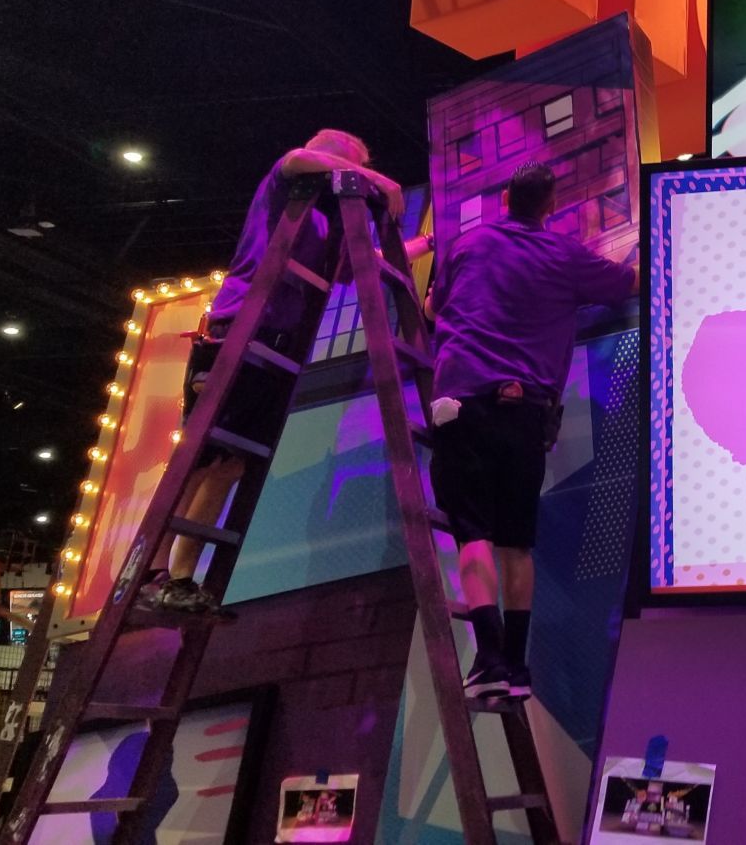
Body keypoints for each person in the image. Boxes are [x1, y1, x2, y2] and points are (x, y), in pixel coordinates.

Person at [148, 129, 419, 614]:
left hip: (273, 343)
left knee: (230, 463)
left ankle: (175, 576)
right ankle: (159, 573)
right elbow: (295, 158)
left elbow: (362, 265)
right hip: (238, 329)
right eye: (352, 165)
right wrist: (379, 180)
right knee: (207, 459)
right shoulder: (288, 190)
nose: (356, 175)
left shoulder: (322, 223)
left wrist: (427, 243)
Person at [427, 160, 635, 696]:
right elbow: (627, 283)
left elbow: (432, 307)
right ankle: (515, 668)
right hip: (526, 411)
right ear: (551, 205)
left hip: (463, 403)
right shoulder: (565, 255)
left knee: (473, 534)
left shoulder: (468, 245)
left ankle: (489, 659)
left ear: (504, 200)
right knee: (517, 543)